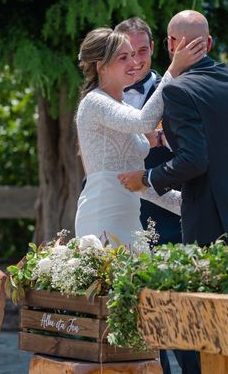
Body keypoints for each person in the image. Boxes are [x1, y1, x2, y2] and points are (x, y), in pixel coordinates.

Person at [118, 10, 228, 374]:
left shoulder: (180, 90)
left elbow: (195, 160)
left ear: (168, 46)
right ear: (211, 42)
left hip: (206, 221)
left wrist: (148, 176)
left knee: (204, 328)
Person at [114, 17, 201, 374]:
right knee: (146, 331)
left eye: (143, 52)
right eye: (126, 54)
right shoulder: (105, 99)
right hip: (128, 225)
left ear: (155, 49)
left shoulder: (178, 89)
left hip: (174, 223)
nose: (135, 62)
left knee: (186, 326)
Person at [74, 27, 204, 247]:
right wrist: (174, 69)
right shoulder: (94, 102)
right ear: (101, 66)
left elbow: (136, 185)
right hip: (102, 216)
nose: (134, 62)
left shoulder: (120, 107)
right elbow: (143, 122)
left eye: (133, 55)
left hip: (130, 218)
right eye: (124, 57)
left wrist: (194, 204)